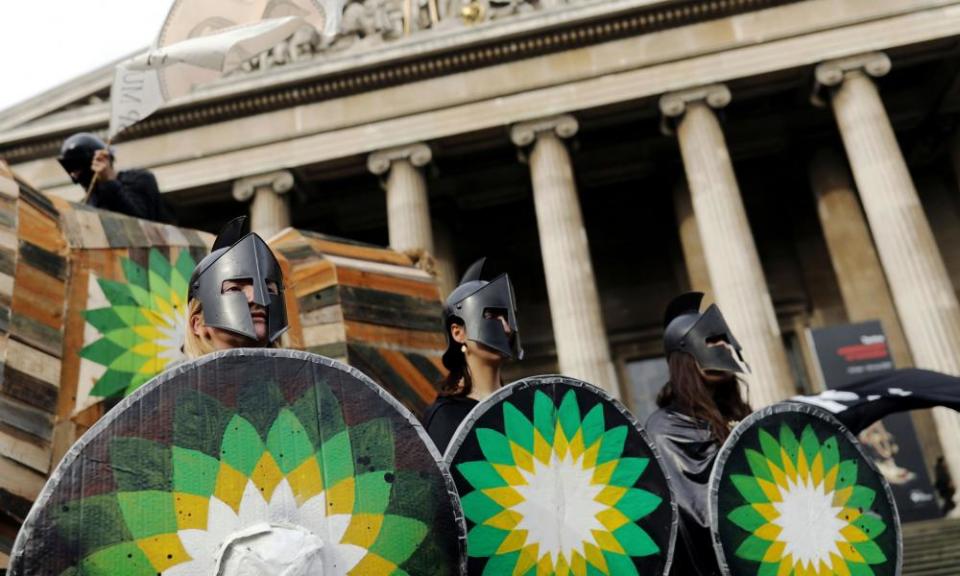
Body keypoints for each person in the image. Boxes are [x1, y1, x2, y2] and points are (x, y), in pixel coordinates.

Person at [645, 292, 752, 576]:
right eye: (711, 339)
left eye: (725, 339)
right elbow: (691, 518)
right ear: (686, 354)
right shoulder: (664, 429)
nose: (723, 346)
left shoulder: (743, 420)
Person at [421, 258, 523, 453]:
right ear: (458, 333)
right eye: (491, 316)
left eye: (506, 317)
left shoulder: (524, 408)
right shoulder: (445, 417)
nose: (506, 328)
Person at [184, 216, 288, 358]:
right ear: (197, 324)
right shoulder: (179, 381)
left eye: (269, 289)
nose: (257, 298)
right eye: (234, 289)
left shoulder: (307, 378)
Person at [57, 132, 174, 223]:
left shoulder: (139, 179)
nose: (75, 174)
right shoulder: (86, 206)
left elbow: (139, 222)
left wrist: (108, 181)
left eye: (77, 168)